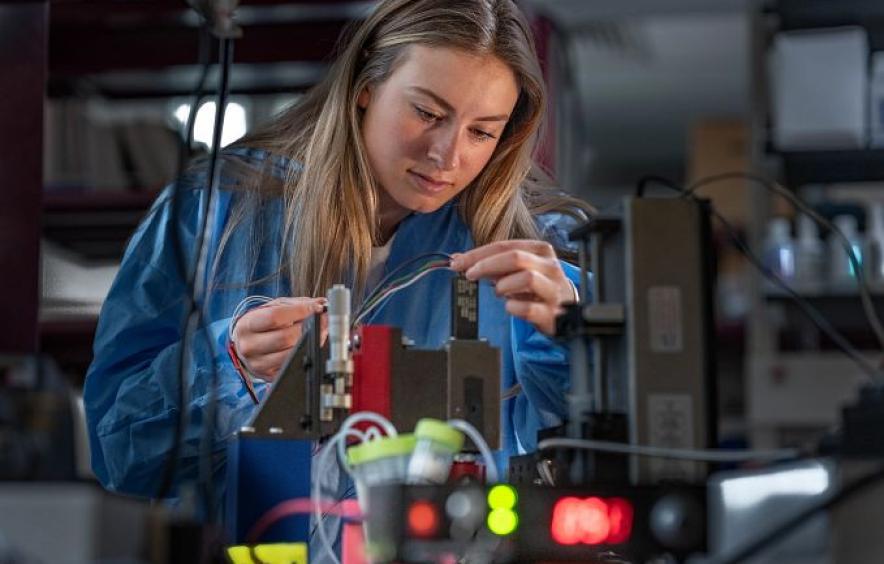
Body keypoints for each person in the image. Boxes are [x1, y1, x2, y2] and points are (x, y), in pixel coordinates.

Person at [84, 0, 590, 506]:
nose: (447, 155)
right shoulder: (212, 212)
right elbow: (117, 453)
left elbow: (601, 452)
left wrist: (571, 340)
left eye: (481, 131)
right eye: (427, 112)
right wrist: (226, 363)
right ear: (365, 86)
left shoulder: (535, 257)